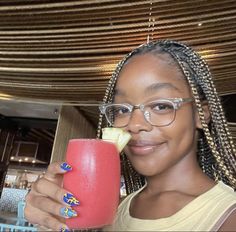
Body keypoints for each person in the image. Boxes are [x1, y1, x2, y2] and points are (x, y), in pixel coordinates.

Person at [25, 40, 236, 231]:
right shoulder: (118, 210)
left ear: (201, 113)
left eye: (161, 106)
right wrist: (55, 221)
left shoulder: (228, 217)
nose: (133, 125)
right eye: (123, 109)